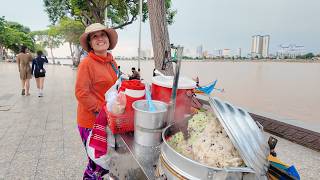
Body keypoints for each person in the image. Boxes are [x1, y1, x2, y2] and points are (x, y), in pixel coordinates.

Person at [75, 23, 118, 179]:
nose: (100, 39)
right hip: (90, 122)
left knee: (107, 162)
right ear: (91, 44)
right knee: (96, 164)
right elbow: (81, 93)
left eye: (103, 35)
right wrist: (103, 110)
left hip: (108, 121)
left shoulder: (112, 62)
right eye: (95, 36)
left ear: (108, 39)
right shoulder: (86, 63)